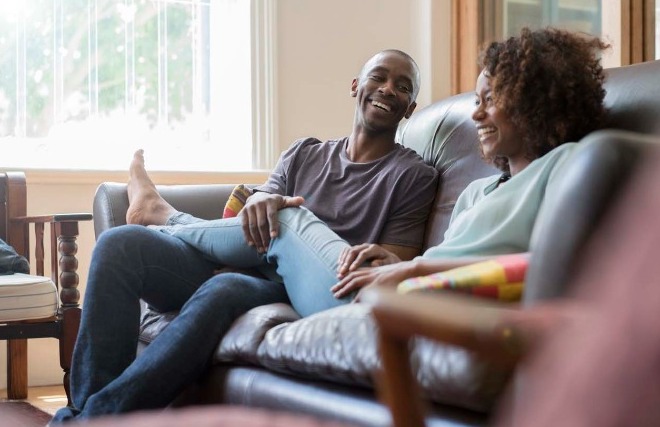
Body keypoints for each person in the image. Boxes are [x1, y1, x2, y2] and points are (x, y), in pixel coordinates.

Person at [51, 49, 439, 423]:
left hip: (289, 285)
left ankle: (95, 419)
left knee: (226, 289)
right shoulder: (304, 153)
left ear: (409, 109)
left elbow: (390, 263)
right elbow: (252, 215)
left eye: (403, 87)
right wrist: (258, 206)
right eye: (379, 77)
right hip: (242, 255)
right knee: (119, 246)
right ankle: (87, 410)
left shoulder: (413, 176)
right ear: (356, 86)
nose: (389, 88)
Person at [163, 27, 610, 300]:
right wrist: (389, 262)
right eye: (476, 101)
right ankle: (164, 224)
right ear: (356, 85)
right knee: (237, 246)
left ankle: (167, 219)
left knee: (288, 215)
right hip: (393, 286)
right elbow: (439, 256)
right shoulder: (478, 191)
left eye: (490, 100)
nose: (475, 114)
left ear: (534, 102)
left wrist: (408, 268)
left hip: (405, 298)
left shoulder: (567, 167)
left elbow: (548, 265)